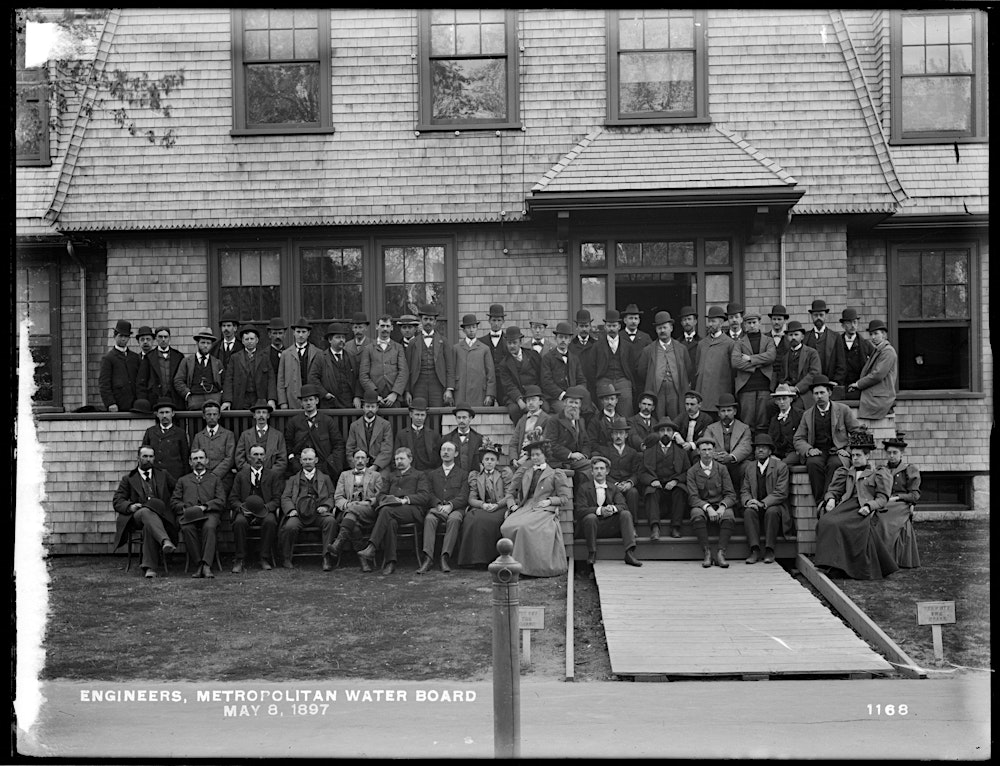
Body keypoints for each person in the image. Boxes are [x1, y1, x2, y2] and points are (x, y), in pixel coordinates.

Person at [814, 431, 898, 580]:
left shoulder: (878, 473)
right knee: (826, 522)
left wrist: (870, 506)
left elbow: (882, 498)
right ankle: (831, 564)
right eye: (853, 456)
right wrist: (831, 499)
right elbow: (833, 490)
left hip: (862, 508)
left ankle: (843, 567)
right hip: (846, 505)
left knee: (841, 526)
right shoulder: (846, 472)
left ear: (867, 456)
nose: (855, 459)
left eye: (858, 455)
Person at [500, 438, 571, 578]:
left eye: (538, 454)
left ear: (545, 455)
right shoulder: (524, 471)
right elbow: (510, 492)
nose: (535, 458)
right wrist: (512, 505)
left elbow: (564, 498)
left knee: (524, 527)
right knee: (506, 526)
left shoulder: (555, 473)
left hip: (543, 508)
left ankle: (524, 569)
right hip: (525, 506)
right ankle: (510, 563)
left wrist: (550, 501)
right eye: (533, 455)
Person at [357, 447, 433, 575]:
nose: (399, 462)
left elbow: (424, 496)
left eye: (402, 458)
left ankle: (372, 547)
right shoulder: (391, 476)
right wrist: (390, 499)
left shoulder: (419, 475)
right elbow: (380, 495)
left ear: (410, 459)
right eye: (397, 459)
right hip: (392, 511)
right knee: (390, 521)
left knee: (386, 511)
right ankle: (390, 562)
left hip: (412, 510)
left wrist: (404, 500)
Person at [793, 375, 861, 504]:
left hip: (838, 450)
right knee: (813, 464)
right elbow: (798, 438)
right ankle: (820, 502)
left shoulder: (843, 410)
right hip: (818, 451)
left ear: (829, 393)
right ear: (812, 396)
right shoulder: (807, 414)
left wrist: (848, 450)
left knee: (835, 464)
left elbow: (857, 432)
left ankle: (830, 499)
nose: (819, 396)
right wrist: (808, 449)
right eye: (816, 393)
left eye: (822, 393)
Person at [112, 445, 177, 578]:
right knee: (146, 512)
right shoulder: (128, 478)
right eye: (145, 456)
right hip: (138, 516)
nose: (148, 459)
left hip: (160, 516)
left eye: (151, 456)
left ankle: (150, 568)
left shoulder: (163, 475)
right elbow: (118, 500)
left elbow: (177, 492)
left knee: (149, 525)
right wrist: (130, 506)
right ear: (138, 458)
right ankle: (165, 541)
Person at [575, 455, 642, 573]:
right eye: (596, 469)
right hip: (592, 527)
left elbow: (623, 505)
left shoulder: (613, 488)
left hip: (610, 526)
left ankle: (629, 553)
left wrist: (613, 508)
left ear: (607, 471)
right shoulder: (584, 488)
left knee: (625, 514)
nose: (599, 471)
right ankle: (592, 552)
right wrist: (600, 511)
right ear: (591, 472)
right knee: (590, 517)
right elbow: (580, 510)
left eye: (602, 468)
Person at [278, 447, 338, 571]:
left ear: (316, 460)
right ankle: (287, 557)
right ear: (300, 461)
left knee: (330, 522)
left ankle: (326, 557)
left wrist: (326, 506)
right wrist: (291, 510)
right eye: (305, 459)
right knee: (289, 527)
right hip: (299, 513)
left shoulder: (325, 478)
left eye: (310, 459)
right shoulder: (293, 479)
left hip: (318, 513)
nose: (308, 462)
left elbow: (332, 495)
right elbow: (285, 497)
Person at [172, 448, 227, 578]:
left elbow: (221, 500)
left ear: (206, 460)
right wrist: (185, 508)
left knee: (209, 527)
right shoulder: (183, 480)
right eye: (195, 459)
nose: (198, 461)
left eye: (201, 458)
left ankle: (206, 565)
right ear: (190, 462)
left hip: (209, 513)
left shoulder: (215, 479)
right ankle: (198, 564)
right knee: (187, 528)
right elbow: (174, 501)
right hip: (189, 515)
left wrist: (205, 507)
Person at [416, 441, 470, 574]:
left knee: (454, 520)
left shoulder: (463, 474)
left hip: (455, 509)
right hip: (436, 508)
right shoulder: (432, 474)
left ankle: (444, 557)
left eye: (449, 450)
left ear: (456, 453)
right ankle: (428, 558)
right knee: (429, 519)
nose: (445, 452)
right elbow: (429, 493)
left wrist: (450, 506)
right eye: (443, 450)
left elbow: (464, 496)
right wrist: (438, 505)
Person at [228, 444, 282, 573]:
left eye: (261, 455)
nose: (259, 458)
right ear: (249, 457)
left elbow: (276, 499)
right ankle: (240, 559)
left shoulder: (272, 475)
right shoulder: (241, 475)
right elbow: (233, 498)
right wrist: (242, 508)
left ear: (265, 457)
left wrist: (265, 508)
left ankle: (264, 557)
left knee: (270, 521)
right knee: (239, 522)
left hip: (265, 510)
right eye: (255, 455)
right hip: (246, 511)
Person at [457, 441, 512, 568]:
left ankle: (490, 558)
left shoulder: (504, 474)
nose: (489, 462)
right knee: (471, 519)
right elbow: (472, 498)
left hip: (499, 507)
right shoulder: (476, 476)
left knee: (488, 521)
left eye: (492, 459)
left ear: (497, 462)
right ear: (482, 461)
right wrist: (482, 505)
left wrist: (497, 505)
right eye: (486, 459)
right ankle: (472, 560)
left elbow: (509, 495)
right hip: (484, 506)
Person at [328, 448, 384, 572]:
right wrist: (348, 504)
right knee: (354, 526)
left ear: (368, 460)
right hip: (348, 511)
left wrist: (366, 502)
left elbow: (380, 496)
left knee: (352, 516)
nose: (360, 461)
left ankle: (338, 543)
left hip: (367, 511)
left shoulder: (376, 475)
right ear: (353, 460)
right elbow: (338, 497)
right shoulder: (344, 475)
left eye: (363, 458)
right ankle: (363, 561)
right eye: (357, 458)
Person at [686, 436, 737, 568]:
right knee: (696, 515)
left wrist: (722, 507)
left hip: (720, 504)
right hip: (702, 505)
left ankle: (721, 552)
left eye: (709, 450)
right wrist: (707, 507)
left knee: (729, 516)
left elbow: (730, 494)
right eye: (704, 450)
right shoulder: (692, 471)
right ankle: (707, 552)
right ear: (698, 451)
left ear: (714, 451)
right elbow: (692, 497)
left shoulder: (722, 469)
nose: (707, 453)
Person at [740, 434, 791, 564]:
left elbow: (781, 492)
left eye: (764, 448)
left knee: (772, 511)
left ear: (770, 451)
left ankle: (769, 549)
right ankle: (754, 550)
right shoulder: (750, 467)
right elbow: (744, 490)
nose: (760, 450)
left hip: (774, 505)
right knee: (748, 512)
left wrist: (763, 503)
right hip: (755, 504)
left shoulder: (780, 466)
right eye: (757, 448)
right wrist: (748, 501)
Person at [638, 418, 689, 540]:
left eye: (668, 430)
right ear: (658, 433)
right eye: (662, 430)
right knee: (650, 492)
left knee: (681, 491)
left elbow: (687, 472)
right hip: (656, 485)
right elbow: (641, 473)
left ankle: (675, 527)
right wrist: (652, 480)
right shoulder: (648, 451)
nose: (665, 433)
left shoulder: (681, 451)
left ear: (673, 434)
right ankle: (655, 527)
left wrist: (675, 481)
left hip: (673, 484)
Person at [636, 310, 690, 421]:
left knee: (676, 417)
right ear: (656, 330)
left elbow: (688, 369)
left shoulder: (681, 348)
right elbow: (642, 371)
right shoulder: (649, 350)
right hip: (657, 390)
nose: (662, 331)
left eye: (665, 327)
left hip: (675, 389)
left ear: (671, 328)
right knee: (657, 417)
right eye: (659, 328)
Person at [877, 434, 921, 569]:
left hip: (901, 504)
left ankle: (888, 559)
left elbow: (914, 495)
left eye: (895, 452)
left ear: (902, 454)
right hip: (885, 502)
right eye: (889, 453)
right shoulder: (882, 470)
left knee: (885, 520)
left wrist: (897, 498)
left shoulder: (909, 469)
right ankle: (880, 558)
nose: (891, 456)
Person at [284, 383, 346, 478]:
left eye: (311, 399)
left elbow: (338, 444)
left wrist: (329, 464)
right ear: (301, 403)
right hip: (300, 466)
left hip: (323, 466)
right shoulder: (294, 422)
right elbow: (288, 445)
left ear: (316, 401)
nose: (308, 403)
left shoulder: (327, 421)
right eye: (305, 400)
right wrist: (293, 461)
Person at [730, 311, 776, 432]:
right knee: (747, 422)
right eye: (749, 323)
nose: (751, 325)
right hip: (746, 387)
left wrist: (751, 359)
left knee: (763, 421)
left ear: (759, 323)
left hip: (764, 386)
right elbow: (735, 362)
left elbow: (771, 356)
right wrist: (758, 364)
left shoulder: (768, 340)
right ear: (744, 325)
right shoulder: (739, 343)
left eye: (754, 322)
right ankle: (747, 448)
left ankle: (761, 447)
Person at [703, 393, 753, 499]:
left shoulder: (744, 428)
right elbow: (706, 445)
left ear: (734, 412)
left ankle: (743, 499)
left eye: (729, 410)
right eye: (723, 411)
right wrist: (718, 456)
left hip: (737, 463)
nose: (726, 414)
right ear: (719, 413)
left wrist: (730, 457)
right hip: (718, 462)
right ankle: (716, 499)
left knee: (748, 467)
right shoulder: (711, 429)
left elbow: (745, 446)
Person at [404, 304, 455, 407]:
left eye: (431, 319)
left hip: (437, 385)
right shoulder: (413, 343)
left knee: (437, 414)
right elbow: (407, 369)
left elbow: (450, 367)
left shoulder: (443, 342)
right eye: (425, 319)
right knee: (420, 412)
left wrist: (449, 389)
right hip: (418, 385)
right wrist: (407, 391)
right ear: (421, 320)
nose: (428, 322)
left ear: (435, 322)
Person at [592, 417, 642, 521]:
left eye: (621, 433)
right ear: (611, 435)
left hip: (626, 485)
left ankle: (632, 524)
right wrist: (614, 484)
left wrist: (629, 483)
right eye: (615, 433)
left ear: (626, 435)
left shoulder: (632, 452)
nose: (618, 436)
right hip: (610, 484)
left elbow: (636, 472)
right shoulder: (605, 452)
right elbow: (603, 472)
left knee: (633, 493)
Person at [590, 309, 636, 416]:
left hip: (623, 380)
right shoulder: (597, 346)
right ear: (605, 327)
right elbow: (592, 367)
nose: (611, 329)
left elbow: (632, 366)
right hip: (604, 380)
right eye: (609, 326)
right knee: (605, 414)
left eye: (614, 326)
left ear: (619, 327)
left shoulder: (627, 345)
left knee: (626, 413)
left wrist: (627, 379)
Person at [850, 319, 898, 421]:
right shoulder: (878, 350)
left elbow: (878, 375)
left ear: (884, 335)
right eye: (871, 334)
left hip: (880, 396)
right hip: (875, 393)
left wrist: (858, 384)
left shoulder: (888, 351)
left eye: (876, 334)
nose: (873, 337)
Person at [222, 324, 277, 411]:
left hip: (259, 398)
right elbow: (228, 379)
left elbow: (271, 379)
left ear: (257, 340)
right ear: (243, 341)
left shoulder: (264, 357)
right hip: (241, 398)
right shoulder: (235, 358)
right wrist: (227, 400)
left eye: (252, 339)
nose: (249, 341)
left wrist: (271, 399)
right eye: (246, 339)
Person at [542, 385, 593, 480]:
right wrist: (570, 454)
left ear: (580, 405)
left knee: (597, 466)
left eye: (576, 403)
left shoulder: (580, 421)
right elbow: (550, 444)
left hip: (577, 461)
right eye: (571, 402)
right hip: (559, 460)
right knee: (592, 467)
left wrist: (584, 456)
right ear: (565, 403)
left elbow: (586, 443)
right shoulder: (554, 420)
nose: (573, 406)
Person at [693, 306, 735, 418]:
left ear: (721, 323)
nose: (710, 324)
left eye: (713, 321)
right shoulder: (702, 344)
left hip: (720, 390)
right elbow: (698, 367)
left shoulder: (729, 343)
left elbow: (733, 370)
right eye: (709, 321)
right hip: (703, 392)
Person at [359, 314, 409, 408]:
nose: (385, 329)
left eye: (387, 326)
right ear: (377, 327)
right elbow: (363, 375)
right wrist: (374, 394)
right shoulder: (368, 348)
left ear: (392, 328)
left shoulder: (398, 348)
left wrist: (395, 393)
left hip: (394, 399)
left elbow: (403, 372)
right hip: (375, 400)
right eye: (382, 326)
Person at [309, 322, 362, 409]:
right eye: (338, 337)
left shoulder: (351, 357)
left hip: (349, 405)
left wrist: (357, 396)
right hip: (329, 404)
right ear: (330, 340)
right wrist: (324, 394)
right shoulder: (321, 357)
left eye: (343, 337)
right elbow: (312, 378)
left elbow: (358, 378)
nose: (341, 340)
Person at [498, 326, 544, 424]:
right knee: (514, 410)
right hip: (515, 397)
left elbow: (541, 377)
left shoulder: (533, 355)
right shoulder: (504, 364)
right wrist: (519, 400)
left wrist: (536, 397)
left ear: (521, 342)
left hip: (534, 393)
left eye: (514, 342)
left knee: (546, 407)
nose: (512, 346)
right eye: (509, 343)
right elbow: (508, 385)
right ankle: (521, 433)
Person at [189, 399, 236, 494]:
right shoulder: (199, 436)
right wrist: (204, 475)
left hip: (223, 478)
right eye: (209, 414)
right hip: (202, 477)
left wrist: (214, 475)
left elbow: (229, 459)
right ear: (204, 416)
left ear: (219, 416)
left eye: (214, 414)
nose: (212, 417)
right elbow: (194, 457)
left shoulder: (228, 435)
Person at [540, 321, 586, 417]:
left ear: (570, 340)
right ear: (555, 339)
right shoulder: (548, 358)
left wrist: (577, 393)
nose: (563, 340)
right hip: (555, 398)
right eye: (560, 337)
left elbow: (581, 380)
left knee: (589, 409)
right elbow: (546, 382)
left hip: (573, 396)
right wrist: (562, 395)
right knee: (566, 410)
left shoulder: (574, 358)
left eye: (566, 338)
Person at [174, 327, 225, 411]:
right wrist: (187, 394)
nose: (205, 345)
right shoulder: (187, 361)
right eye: (203, 342)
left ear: (211, 345)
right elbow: (178, 380)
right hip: (194, 399)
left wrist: (220, 395)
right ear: (197, 343)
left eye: (208, 343)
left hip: (213, 399)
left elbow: (224, 381)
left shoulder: (217, 363)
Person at [276, 316, 322, 410]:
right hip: (292, 398)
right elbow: (281, 380)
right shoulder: (286, 354)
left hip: (312, 399)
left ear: (308, 333)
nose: (301, 335)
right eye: (298, 332)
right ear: (294, 333)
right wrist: (283, 402)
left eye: (303, 332)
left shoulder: (317, 352)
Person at [776, 320, 821, 412]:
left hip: (805, 392)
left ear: (802, 337)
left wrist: (797, 388)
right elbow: (782, 375)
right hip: (788, 393)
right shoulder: (785, 356)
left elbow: (814, 373)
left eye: (796, 335)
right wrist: (786, 386)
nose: (793, 337)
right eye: (790, 335)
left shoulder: (811, 353)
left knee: (795, 409)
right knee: (772, 406)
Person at [452, 313, 496, 407]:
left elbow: (490, 374)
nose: (471, 330)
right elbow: (451, 371)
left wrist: (489, 394)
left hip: (479, 392)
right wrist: (450, 390)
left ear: (477, 328)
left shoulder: (484, 349)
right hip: (461, 392)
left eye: (474, 327)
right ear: (463, 330)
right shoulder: (456, 348)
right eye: (468, 327)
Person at [141, 397, 189, 481]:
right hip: (155, 477)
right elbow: (143, 456)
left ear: (173, 413)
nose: (164, 416)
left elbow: (185, 457)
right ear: (157, 414)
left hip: (174, 477)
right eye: (161, 413)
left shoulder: (180, 433)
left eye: (167, 412)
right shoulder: (150, 432)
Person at [234, 400, 288, 475]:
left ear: (268, 415)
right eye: (258, 412)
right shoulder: (245, 435)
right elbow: (239, 459)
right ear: (254, 415)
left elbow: (282, 460)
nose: (261, 415)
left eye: (264, 412)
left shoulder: (278, 436)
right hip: (250, 477)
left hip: (271, 478)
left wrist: (269, 474)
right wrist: (252, 473)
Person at [345, 391, 395, 472]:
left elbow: (387, 450)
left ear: (377, 408)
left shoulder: (385, 425)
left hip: (379, 466)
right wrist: (357, 466)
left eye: (373, 407)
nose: (370, 409)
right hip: (359, 465)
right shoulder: (354, 426)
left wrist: (375, 466)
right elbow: (350, 449)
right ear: (363, 407)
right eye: (367, 406)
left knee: (382, 479)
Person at [99, 319, 141, 412]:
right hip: (118, 405)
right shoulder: (108, 358)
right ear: (115, 336)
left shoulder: (135, 357)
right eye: (121, 336)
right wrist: (110, 403)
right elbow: (104, 384)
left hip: (135, 404)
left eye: (126, 336)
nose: (123, 339)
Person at [137, 326, 184, 408]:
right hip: (154, 400)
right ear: (156, 339)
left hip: (175, 399)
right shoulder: (149, 357)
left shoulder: (178, 356)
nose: (163, 339)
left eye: (165, 337)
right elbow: (142, 382)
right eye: (160, 337)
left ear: (169, 338)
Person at [804, 299, 846, 391]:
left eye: (821, 315)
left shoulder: (835, 337)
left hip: (829, 384)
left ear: (826, 316)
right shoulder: (805, 337)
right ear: (811, 316)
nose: (818, 317)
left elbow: (841, 363)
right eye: (815, 315)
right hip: (810, 386)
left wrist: (836, 381)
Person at [394, 397, 442, 471]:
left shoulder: (434, 435)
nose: (419, 418)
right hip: (408, 472)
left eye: (422, 415)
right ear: (411, 414)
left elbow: (438, 459)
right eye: (417, 414)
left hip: (427, 472)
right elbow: (396, 456)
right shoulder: (402, 435)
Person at [509, 384, 550, 467]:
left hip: (536, 457)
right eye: (528, 401)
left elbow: (545, 443)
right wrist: (514, 459)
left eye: (533, 400)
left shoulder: (547, 419)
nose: (530, 403)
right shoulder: (522, 420)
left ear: (540, 402)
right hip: (520, 457)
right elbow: (514, 442)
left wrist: (526, 456)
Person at [838, 308, 874, 398]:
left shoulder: (866, 345)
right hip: (842, 388)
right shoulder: (836, 343)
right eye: (848, 323)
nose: (852, 326)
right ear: (843, 326)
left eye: (855, 322)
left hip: (861, 388)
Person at [766, 383, 803, 464]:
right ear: (776, 402)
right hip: (778, 453)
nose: (782, 402)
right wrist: (772, 454)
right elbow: (771, 438)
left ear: (791, 399)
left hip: (795, 452)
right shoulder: (774, 419)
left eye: (784, 398)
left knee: (782, 465)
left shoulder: (799, 415)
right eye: (779, 399)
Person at [673, 390, 714, 460]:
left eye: (692, 404)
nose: (689, 407)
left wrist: (691, 445)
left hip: (698, 448)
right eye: (687, 404)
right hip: (682, 448)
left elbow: (705, 438)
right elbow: (671, 427)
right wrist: (676, 434)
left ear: (699, 405)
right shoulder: (682, 416)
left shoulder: (707, 419)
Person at [443, 403, 484, 473]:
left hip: (472, 478)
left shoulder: (478, 439)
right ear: (456, 418)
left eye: (464, 417)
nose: (461, 420)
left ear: (470, 418)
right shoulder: (447, 438)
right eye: (459, 418)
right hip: (453, 479)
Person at [587, 382, 622, 449]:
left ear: (616, 401)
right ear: (602, 401)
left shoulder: (621, 418)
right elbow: (592, 442)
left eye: (612, 399)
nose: (609, 402)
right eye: (606, 399)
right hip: (602, 453)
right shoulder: (595, 420)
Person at [767, 304, 791, 389]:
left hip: (786, 380)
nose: (776, 322)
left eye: (779, 319)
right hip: (768, 380)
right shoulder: (764, 339)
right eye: (774, 319)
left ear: (785, 321)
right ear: (771, 320)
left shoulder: (790, 339)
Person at [266, 316, 287, 390]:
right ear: (269, 334)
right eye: (274, 333)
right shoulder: (263, 354)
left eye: (280, 333)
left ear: (284, 334)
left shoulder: (290, 353)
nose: (277, 336)